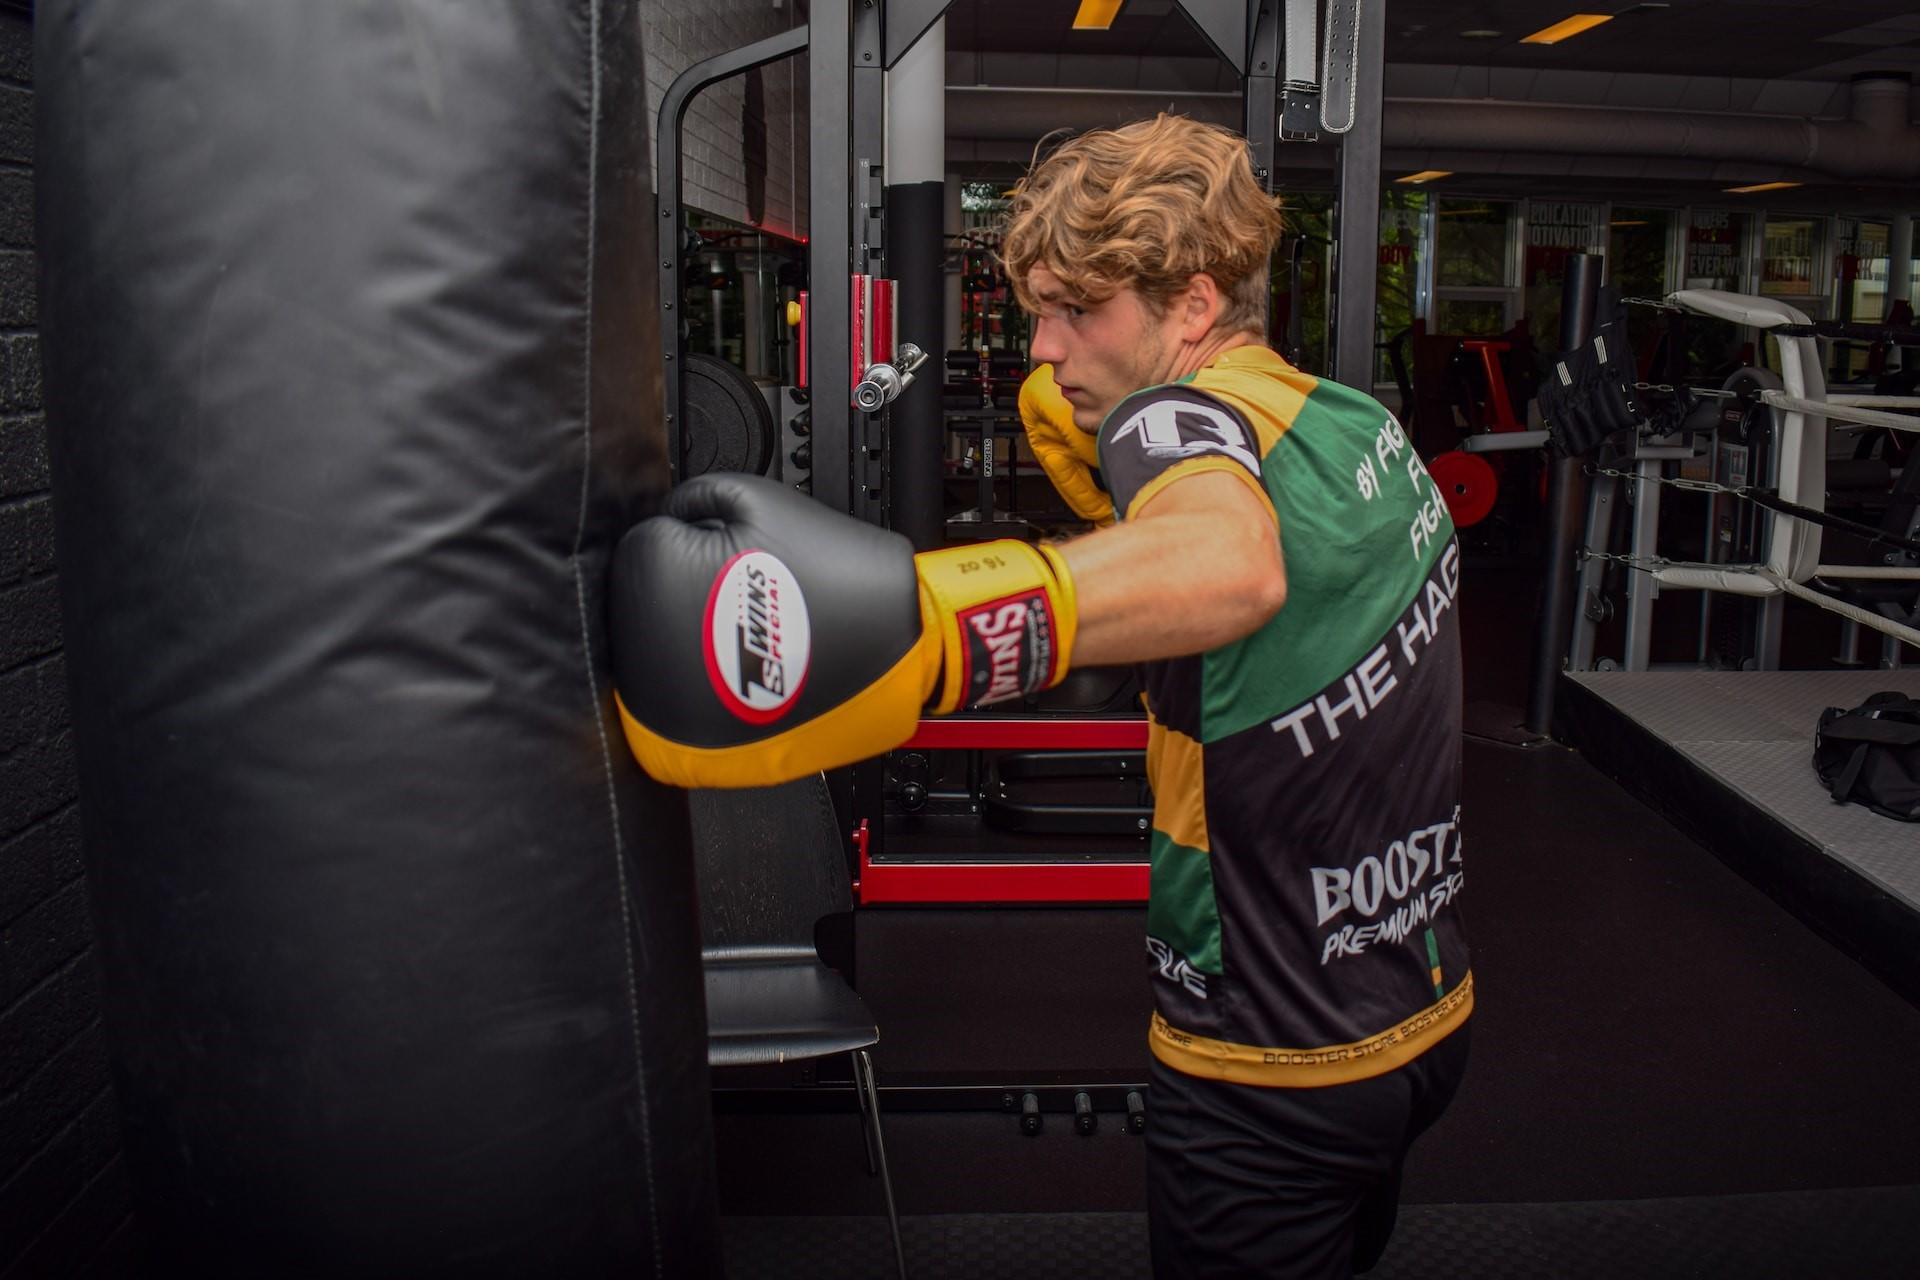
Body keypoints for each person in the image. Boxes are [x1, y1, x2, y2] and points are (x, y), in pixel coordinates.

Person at [608, 112, 1468, 1279]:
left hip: (1262, 1057)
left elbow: (1230, 564)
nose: (1044, 347)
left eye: (1081, 311)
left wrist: (926, 635)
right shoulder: (1353, 426)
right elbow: (1260, 556)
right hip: (1414, 1009)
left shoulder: (1178, 422)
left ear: (1195, 305)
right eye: (1036, 311)